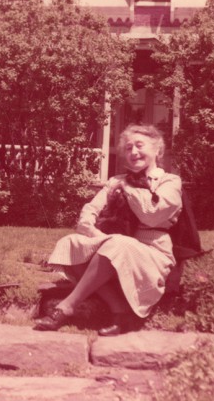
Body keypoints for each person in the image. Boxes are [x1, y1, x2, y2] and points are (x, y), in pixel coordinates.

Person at [34, 124, 183, 336]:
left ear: (157, 150)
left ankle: (66, 308)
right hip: (116, 246)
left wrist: (127, 189)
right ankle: (120, 310)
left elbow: (151, 213)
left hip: (153, 252)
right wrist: (99, 237)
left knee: (117, 244)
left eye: (139, 146)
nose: (133, 152)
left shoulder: (170, 181)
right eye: (128, 148)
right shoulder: (115, 181)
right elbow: (88, 214)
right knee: (71, 243)